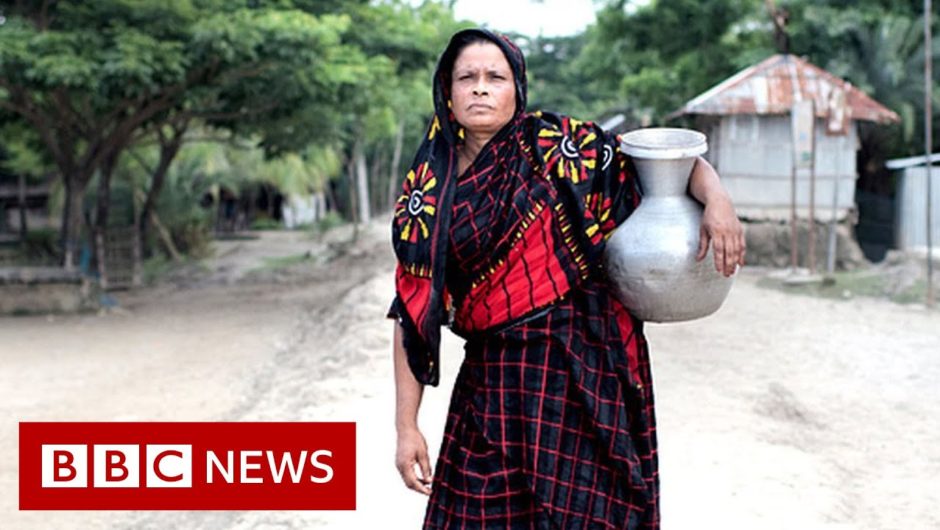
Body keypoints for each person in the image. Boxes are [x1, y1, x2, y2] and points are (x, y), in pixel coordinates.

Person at [388, 28, 745, 529]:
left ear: (519, 88)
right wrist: (407, 428)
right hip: (492, 390)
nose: (481, 88)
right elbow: (411, 312)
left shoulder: (559, 148)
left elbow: (664, 163)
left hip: (585, 378)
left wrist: (719, 200)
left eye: (496, 76)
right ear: (447, 91)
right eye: (467, 77)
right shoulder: (428, 190)